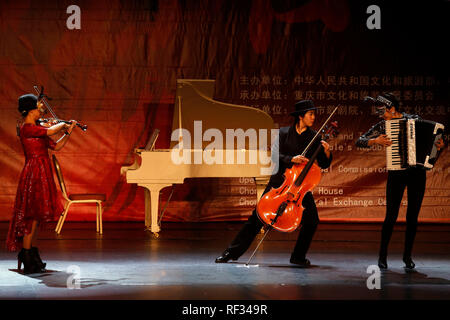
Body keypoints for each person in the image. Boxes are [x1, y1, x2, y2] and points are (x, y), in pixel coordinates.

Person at [215, 100, 332, 266]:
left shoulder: (315, 137)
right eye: (310, 114)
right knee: (257, 218)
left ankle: (298, 256)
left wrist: (327, 152)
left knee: (312, 220)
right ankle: (230, 253)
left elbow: (324, 164)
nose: (313, 117)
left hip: (300, 187)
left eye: (314, 114)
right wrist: (291, 159)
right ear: (300, 116)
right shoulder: (284, 133)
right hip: (279, 184)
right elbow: (274, 155)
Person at [356, 92, 445, 270]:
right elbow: (360, 141)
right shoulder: (383, 125)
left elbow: (436, 142)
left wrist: (440, 146)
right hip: (396, 173)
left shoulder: (414, 119)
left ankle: (407, 257)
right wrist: (375, 141)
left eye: (383, 111)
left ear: (392, 108)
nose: (381, 114)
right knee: (391, 216)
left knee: (413, 217)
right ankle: (382, 256)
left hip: (417, 173)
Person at [6, 93, 77, 274]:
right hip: (33, 173)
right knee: (31, 216)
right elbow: (52, 130)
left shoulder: (38, 129)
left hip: (42, 172)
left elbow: (57, 146)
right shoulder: (27, 129)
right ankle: (26, 254)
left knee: (37, 215)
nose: (41, 110)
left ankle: (31, 253)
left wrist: (68, 131)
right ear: (30, 110)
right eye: (38, 107)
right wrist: (63, 124)